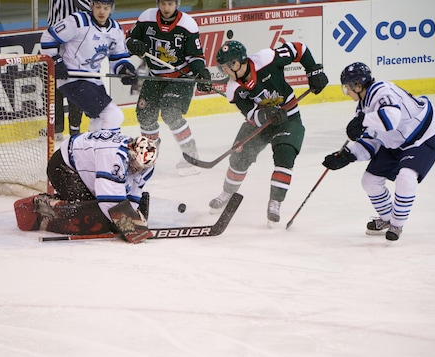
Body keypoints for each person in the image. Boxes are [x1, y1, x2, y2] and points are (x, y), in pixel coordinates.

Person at [209, 40, 328, 227]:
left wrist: (313, 71)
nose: (226, 70)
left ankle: (275, 202)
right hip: (261, 123)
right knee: (239, 155)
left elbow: (299, 49)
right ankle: (228, 192)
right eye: (223, 67)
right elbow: (249, 113)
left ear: (239, 61)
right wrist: (265, 114)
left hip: (288, 118)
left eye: (228, 65)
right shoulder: (234, 88)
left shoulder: (266, 59)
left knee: (285, 155)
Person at [322, 62, 435, 241]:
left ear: (358, 86)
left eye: (347, 88)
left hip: (421, 139)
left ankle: (396, 224)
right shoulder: (363, 107)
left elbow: (391, 118)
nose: (346, 92)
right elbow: (372, 141)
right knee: (369, 181)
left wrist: (363, 121)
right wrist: (348, 155)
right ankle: (387, 218)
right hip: (395, 143)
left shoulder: (381, 90)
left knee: (406, 177)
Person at [125, 0, 211, 176]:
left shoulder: (187, 24)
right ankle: (148, 156)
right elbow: (130, 39)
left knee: (170, 113)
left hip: (181, 78)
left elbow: (195, 56)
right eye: (163, 3)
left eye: (170, 3)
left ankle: (190, 155)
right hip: (155, 76)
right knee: (145, 114)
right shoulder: (146, 17)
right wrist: (133, 44)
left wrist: (200, 72)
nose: (166, 8)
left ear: (177, 4)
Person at [40, 0, 136, 132]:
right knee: (113, 115)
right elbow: (48, 37)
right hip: (72, 79)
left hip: (93, 80)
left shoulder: (115, 29)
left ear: (112, 9)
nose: (102, 11)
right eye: (98, 7)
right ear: (91, 6)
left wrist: (125, 69)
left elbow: (118, 57)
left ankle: (91, 149)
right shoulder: (78, 21)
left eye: (106, 8)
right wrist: (55, 61)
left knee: (98, 119)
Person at [45, 131, 158, 243]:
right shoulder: (113, 155)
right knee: (92, 212)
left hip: (86, 168)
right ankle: (50, 207)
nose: (137, 170)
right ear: (131, 151)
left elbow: (133, 192)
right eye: (135, 165)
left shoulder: (144, 163)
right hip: (63, 168)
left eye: (141, 167)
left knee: (108, 214)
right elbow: (108, 200)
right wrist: (130, 226)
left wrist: (134, 215)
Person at [47, 0, 91, 139]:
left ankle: (75, 127)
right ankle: (57, 127)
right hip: (54, 34)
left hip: (73, 37)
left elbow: (90, 7)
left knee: (74, 82)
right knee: (55, 82)